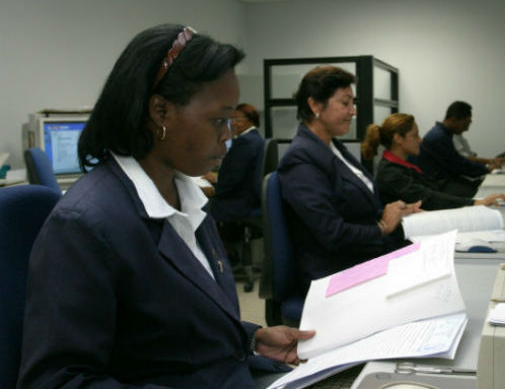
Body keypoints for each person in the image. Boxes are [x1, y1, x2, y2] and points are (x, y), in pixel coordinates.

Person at [17, 24, 313, 389]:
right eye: (218, 120)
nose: (227, 136)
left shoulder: (186, 196)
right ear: (160, 111)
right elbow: (54, 381)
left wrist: (250, 337)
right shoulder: (85, 225)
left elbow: (170, 324)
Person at [277, 66, 421, 294]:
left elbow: (356, 206)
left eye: (352, 103)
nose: (353, 111)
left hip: (364, 255)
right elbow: (332, 234)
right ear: (315, 105)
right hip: (337, 272)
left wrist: (398, 212)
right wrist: (382, 227)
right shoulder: (300, 160)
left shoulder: (333, 146)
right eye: (345, 103)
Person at [362, 113, 505, 209]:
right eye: (415, 136)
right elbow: (427, 198)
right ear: (398, 138)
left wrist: (474, 202)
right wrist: (474, 203)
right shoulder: (391, 173)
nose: (420, 140)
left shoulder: (402, 165)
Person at [411, 101, 500, 197]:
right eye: (465, 124)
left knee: (479, 187)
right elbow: (458, 164)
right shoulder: (439, 137)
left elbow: (457, 162)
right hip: (436, 185)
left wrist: (484, 170)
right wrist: (486, 170)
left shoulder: (442, 134)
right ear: (454, 120)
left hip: (441, 181)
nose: (467, 129)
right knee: (477, 194)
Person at [203, 103, 265, 222]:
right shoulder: (256, 139)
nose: (233, 123)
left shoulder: (244, 142)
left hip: (237, 203)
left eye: (238, 120)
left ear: (250, 121)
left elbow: (233, 177)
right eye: (232, 119)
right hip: (249, 200)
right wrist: (217, 178)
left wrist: (213, 190)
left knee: (196, 207)